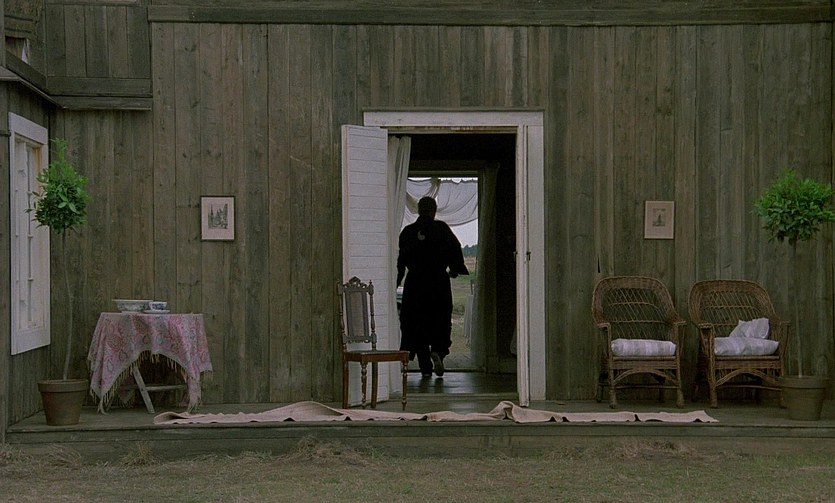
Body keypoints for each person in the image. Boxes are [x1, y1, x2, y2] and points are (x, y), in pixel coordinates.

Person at [397, 196, 469, 378]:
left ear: (418, 210)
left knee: (416, 322)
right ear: (434, 211)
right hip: (438, 283)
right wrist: (454, 269)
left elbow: (400, 261)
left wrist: (396, 281)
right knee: (440, 320)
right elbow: (455, 248)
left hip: (415, 284)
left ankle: (425, 366)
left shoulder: (408, 232)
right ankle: (438, 351)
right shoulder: (442, 229)